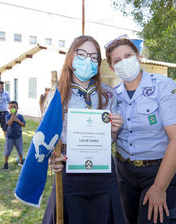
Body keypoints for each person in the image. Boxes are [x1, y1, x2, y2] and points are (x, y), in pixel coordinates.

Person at [42, 35, 125, 224]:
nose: (88, 60)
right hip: (69, 172)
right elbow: (47, 138)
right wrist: (52, 160)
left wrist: (114, 130)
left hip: (103, 171)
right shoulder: (56, 95)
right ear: (71, 57)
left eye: (94, 57)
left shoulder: (108, 95)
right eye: (82, 54)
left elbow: (110, 138)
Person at [105, 35, 176, 224]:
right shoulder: (113, 95)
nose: (124, 62)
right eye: (117, 60)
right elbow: (109, 138)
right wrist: (112, 132)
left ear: (138, 56)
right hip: (124, 173)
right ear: (112, 67)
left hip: (158, 171)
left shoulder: (163, 86)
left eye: (128, 55)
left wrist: (159, 188)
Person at [3, 101, 26, 170]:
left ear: (17, 108)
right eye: (11, 107)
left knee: (20, 150)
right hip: (9, 137)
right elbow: (9, 123)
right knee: (7, 151)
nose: (13, 108)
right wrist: (13, 116)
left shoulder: (20, 116)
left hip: (18, 136)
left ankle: (21, 161)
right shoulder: (7, 116)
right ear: (8, 108)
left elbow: (24, 124)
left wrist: (17, 120)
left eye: (14, 107)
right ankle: (6, 163)